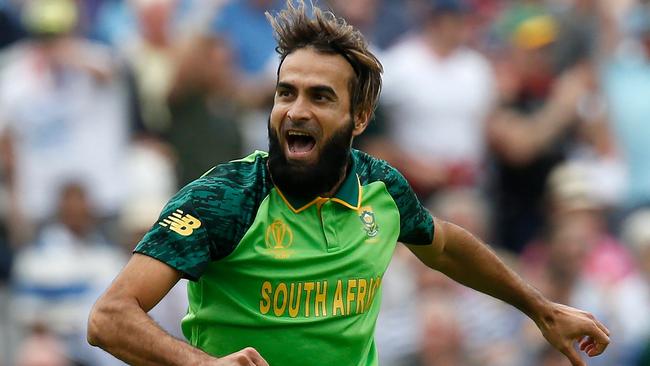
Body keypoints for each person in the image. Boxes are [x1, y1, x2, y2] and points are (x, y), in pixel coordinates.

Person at [87, 1, 610, 365]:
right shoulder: (226, 198)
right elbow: (109, 318)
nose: (295, 109)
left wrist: (542, 310)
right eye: (285, 92)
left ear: (359, 118)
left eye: (320, 96)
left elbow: (445, 246)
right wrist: (201, 364)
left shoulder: (380, 188)